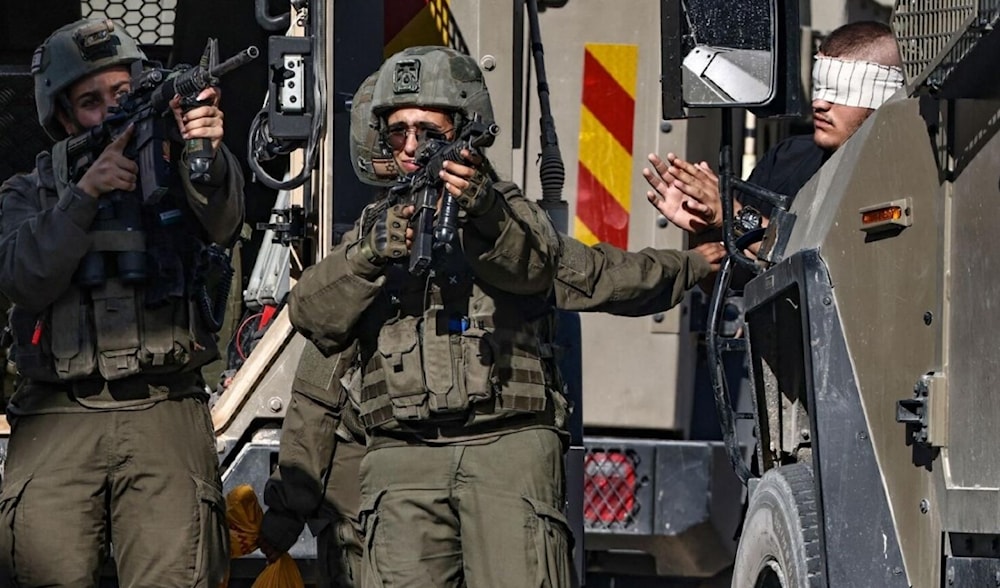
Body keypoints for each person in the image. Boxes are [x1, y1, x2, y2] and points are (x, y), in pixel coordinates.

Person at [259, 62, 725, 587]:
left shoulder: (506, 213)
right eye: (398, 132)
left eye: (429, 131)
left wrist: (692, 265)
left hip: (506, 453)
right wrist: (369, 255)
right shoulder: (376, 230)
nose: (412, 147)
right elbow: (314, 325)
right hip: (402, 459)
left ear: (463, 130)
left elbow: (582, 274)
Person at [0, 18, 244, 587]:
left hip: (165, 405)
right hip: (58, 413)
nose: (111, 108)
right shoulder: (29, 190)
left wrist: (204, 150)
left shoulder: (181, 163)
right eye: (90, 102)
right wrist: (85, 195)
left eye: (121, 91)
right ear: (63, 118)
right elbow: (24, 279)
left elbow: (226, 222)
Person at [644, 20, 904, 238]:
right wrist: (705, 225)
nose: (819, 102)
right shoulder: (786, 158)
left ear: (886, 97)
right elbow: (729, 280)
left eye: (842, 91)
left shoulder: (904, 176)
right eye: (819, 86)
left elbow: (828, 265)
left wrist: (734, 217)